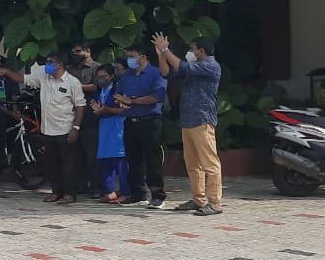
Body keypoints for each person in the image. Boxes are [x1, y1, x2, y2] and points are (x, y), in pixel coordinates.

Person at [0, 52, 86, 204]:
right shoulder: (44, 78)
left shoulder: (72, 82)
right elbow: (23, 78)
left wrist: (76, 128)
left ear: (59, 64)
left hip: (65, 129)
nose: (47, 65)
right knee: (50, 164)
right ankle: (56, 192)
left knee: (68, 164)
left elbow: (80, 106)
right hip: (47, 130)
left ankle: (69, 194)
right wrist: (6, 71)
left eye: (50, 62)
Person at [154, 33, 224, 216]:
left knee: (210, 163)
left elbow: (179, 65)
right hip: (188, 120)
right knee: (193, 164)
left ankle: (215, 203)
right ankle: (198, 199)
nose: (190, 52)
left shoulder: (210, 66)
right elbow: (166, 72)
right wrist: (161, 54)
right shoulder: (195, 67)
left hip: (202, 119)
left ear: (201, 51)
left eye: (193, 49)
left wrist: (165, 49)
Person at [117, 44, 169, 208]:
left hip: (150, 121)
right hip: (130, 121)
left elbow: (156, 97)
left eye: (133, 56)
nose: (130, 60)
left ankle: (158, 195)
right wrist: (121, 103)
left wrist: (132, 101)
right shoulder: (126, 76)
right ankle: (137, 194)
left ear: (143, 57)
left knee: (152, 159)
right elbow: (120, 95)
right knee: (133, 160)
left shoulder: (156, 73)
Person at [88, 65, 129, 204]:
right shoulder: (100, 90)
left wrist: (107, 110)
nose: (100, 80)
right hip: (104, 128)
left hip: (117, 128)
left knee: (120, 164)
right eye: (98, 77)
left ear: (111, 76)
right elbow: (99, 107)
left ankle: (125, 192)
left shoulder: (119, 89)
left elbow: (124, 110)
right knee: (104, 161)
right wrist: (96, 108)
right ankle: (110, 192)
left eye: (103, 76)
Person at [70, 42, 104, 198]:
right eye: (73, 52)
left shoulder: (97, 68)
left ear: (88, 51)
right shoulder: (70, 69)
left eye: (78, 51)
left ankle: (96, 187)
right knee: (76, 154)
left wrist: (76, 87)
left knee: (92, 154)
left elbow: (98, 86)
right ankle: (80, 185)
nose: (75, 54)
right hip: (71, 115)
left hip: (91, 115)